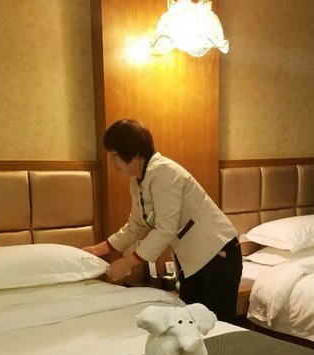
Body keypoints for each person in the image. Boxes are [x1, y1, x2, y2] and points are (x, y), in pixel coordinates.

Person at [83, 119, 241, 323]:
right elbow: (136, 226)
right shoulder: (138, 180)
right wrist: (98, 250)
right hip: (192, 259)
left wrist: (128, 262)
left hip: (217, 252)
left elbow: (166, 229)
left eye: (115, 155)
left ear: (133, 152)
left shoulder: (165, 172)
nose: (113, 163)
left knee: (219, 326)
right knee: (190, 323)